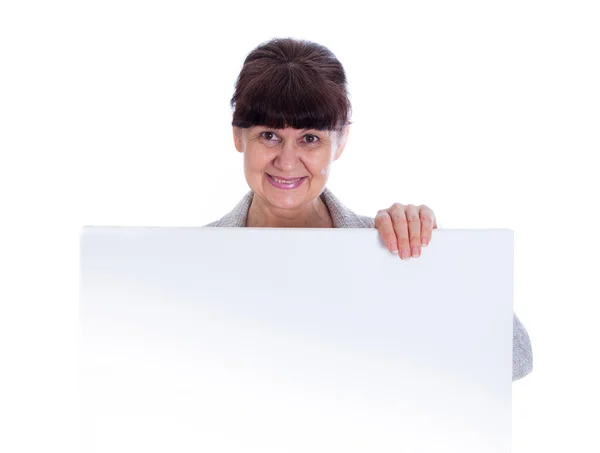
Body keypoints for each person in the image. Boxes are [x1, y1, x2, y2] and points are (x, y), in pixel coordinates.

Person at [204, 37, 533, 381]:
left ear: (341, 140)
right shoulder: (190, 258)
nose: (287, 162)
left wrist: (441, 263)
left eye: (310, 138)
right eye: (269, 135)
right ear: (239, 136)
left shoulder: (389, 248)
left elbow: (515, 359)